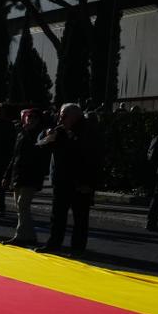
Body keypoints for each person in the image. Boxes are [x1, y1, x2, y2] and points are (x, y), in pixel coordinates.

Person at [37, 103, 100, 255]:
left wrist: (89, 183)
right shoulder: (60, 131)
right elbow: (41, 145)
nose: (60, 118)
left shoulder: (88, 131)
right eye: (60, 115)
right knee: (57, 215)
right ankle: (54, 243)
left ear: (74, 116)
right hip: (62, 180)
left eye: (64, 116)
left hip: (80, 181)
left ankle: (77, 248)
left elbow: (95, 159)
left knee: (80, 217)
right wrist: (46, 134)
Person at [3, 107, 50, 247]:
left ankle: (20, 235)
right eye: (29, 117)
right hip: (18, 174)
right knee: (20, 207)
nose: (30, 120)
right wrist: (7, 175)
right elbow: (15, 156)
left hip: (31, 175)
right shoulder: (22, 133)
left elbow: (40, 154)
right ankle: (29, 236)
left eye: (34, 118)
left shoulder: (41, 134)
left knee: (23, 205)